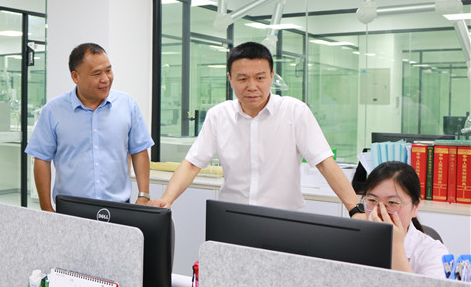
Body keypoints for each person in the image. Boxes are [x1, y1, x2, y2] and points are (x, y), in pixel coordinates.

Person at [150, 41, 363, 217]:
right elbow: (192, 164)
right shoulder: (219, 115)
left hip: (283, 219)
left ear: (271, 76)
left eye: (260, 78)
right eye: (242, 79)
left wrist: (355, 210)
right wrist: (166, 199)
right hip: (232, 216)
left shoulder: (294, 111)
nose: (252, 86)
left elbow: (324, 162)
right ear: (230, 79)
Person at [25, 43, 154, 212]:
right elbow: (42, 159)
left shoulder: (127, 104)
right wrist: (46, 208)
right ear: (75, 76)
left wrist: (143, 195)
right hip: (71, 209)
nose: (105, 79)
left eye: (108, 70)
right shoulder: (53, 110)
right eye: (97, 74)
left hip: (118, 207)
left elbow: (139, 150)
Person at [361, 161, 448, 278]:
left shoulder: (433, 252)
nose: (381, 211)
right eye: (372, 200)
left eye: (392, 202)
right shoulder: (354, 241)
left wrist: (396, 246)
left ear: (415, 207)